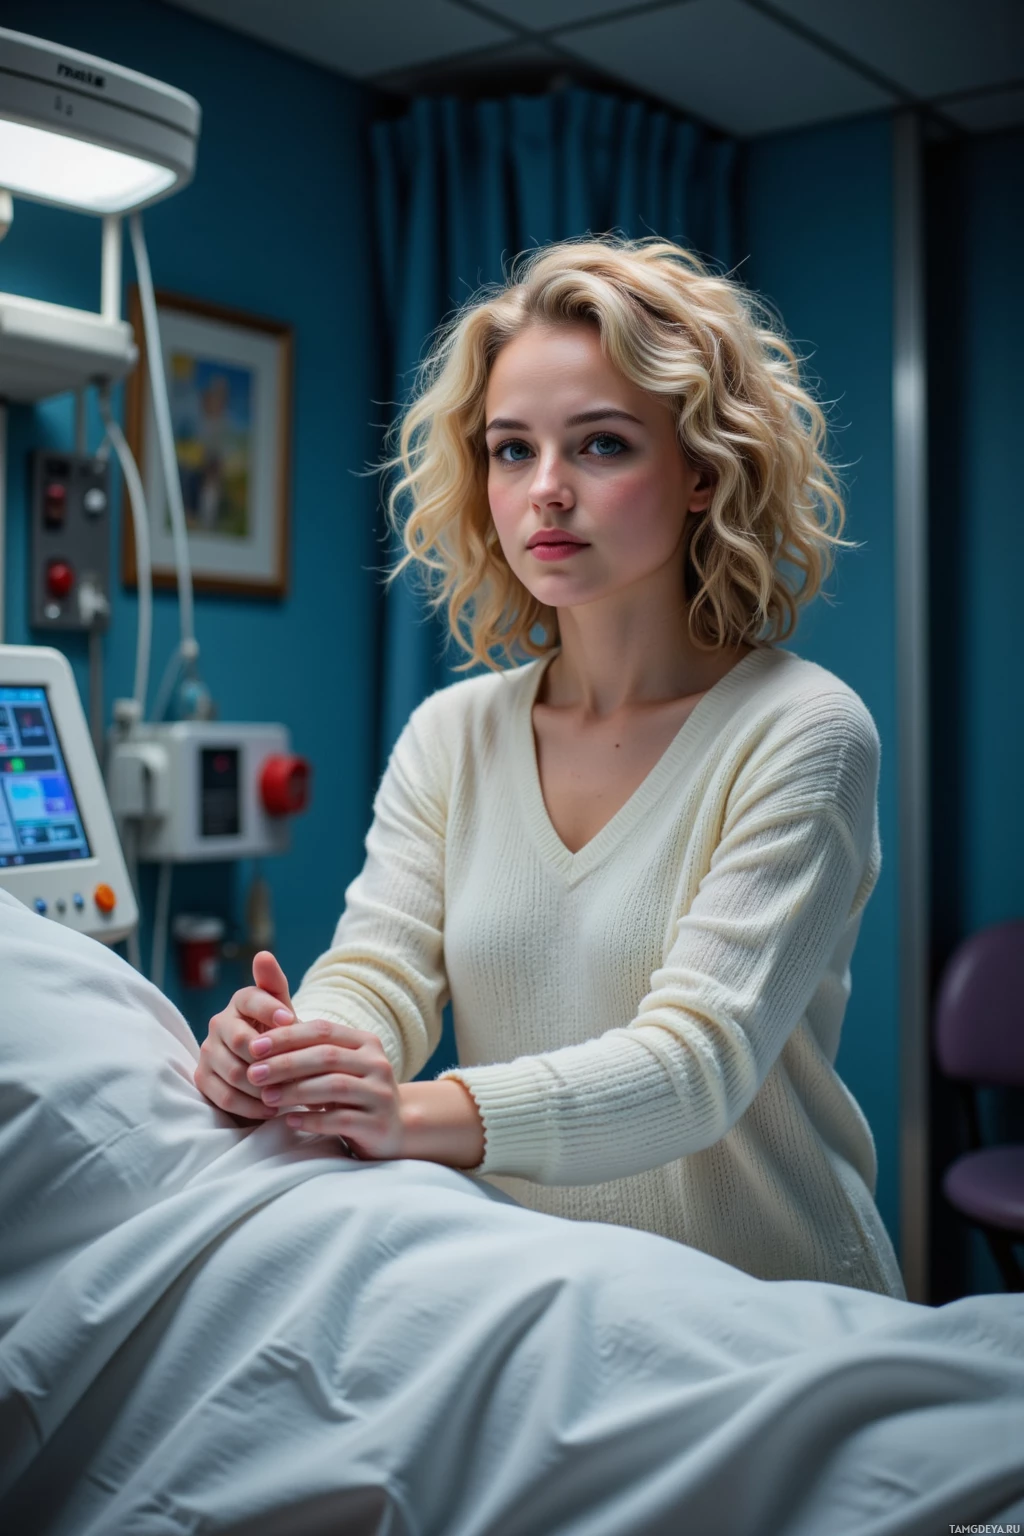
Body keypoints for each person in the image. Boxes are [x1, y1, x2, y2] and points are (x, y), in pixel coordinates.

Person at [196, 234, 905, 1298]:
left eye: (602, 445)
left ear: (702, 470)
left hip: (774, 1305)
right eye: (511, 450)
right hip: (541, 1297)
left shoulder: (802, 730)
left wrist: (407, 1113)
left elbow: (694, 1067)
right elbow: (380, 973)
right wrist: (299, 1055)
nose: (547, 491)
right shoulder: (451, 734)